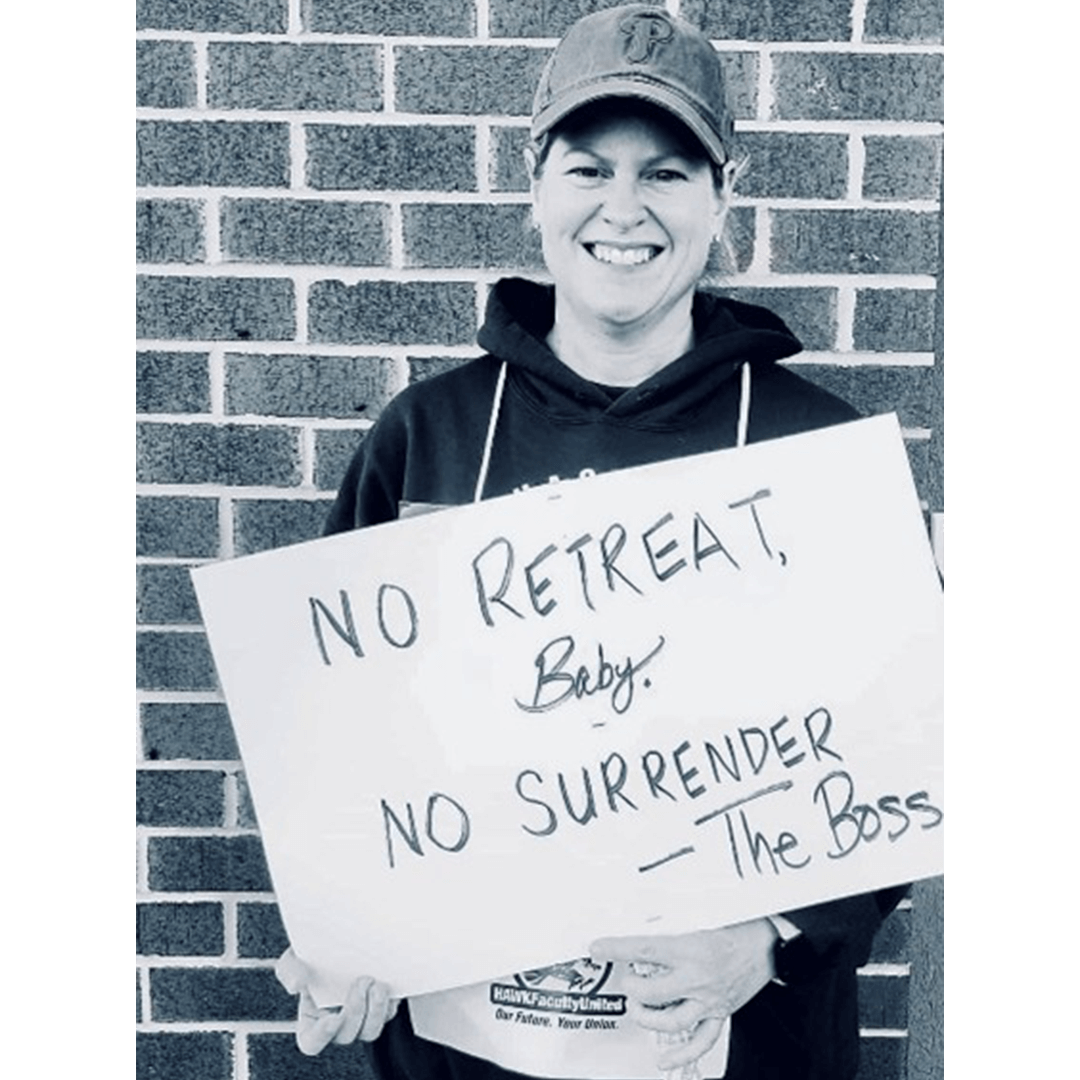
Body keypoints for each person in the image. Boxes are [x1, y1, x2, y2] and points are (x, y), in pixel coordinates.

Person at [276, 6, 905, 1078]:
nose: (623, 208)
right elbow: (328, 739)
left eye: (665, 172)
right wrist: (338, 928)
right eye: (587, 168)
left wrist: (775, 935)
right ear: (535, 185)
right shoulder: (428, 437)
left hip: (743, 1052)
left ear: (722, 196)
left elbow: (905, 751)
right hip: (468, 1053)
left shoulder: (818, 453)